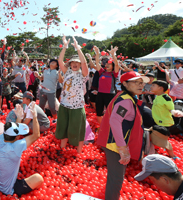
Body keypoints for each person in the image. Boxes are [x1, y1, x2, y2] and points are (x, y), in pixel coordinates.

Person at [97, 71, 150, 200]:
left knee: (115, 178)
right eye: (136, 82)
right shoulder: (126, 101)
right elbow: (115, 121)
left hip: (114, 142)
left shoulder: (125, 97)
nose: (140, 85)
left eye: (141, 83)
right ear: (125, 84)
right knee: (116, 180)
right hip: (115, 145)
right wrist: (122, 147)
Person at [0, 102, 44, 197]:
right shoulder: (16, 146)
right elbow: (36, 135)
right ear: (17, 138)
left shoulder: (1, 138)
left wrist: (19, 117)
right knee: (39, 179)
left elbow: (15, 131)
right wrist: (35, 117)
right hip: (8, 189)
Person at [55, 35, 89, 154]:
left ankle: (79, 152)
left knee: (78, 131)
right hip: (64, 105)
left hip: (77, 107)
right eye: (73, 62)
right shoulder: (67, 71)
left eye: (77, 62)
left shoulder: (83, 74)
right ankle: (62, 150)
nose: (75, 64)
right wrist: (64, 47)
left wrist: (78, 49)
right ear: (70, 64)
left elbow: (84, 63)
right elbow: (60, 61)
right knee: (63, 128)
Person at [93, 46, 120, 125]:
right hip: (100, 95)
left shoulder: (114, 73)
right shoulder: (102, 72)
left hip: (110, 95)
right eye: (106, 64)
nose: (107, 65)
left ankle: (110, 127)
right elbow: (97, 63)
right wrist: (97, 53)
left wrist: (113, 55)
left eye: (109, 64)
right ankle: (101, 127)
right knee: (99, 112)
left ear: (113, 66)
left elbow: (117, 65)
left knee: (110, 112)